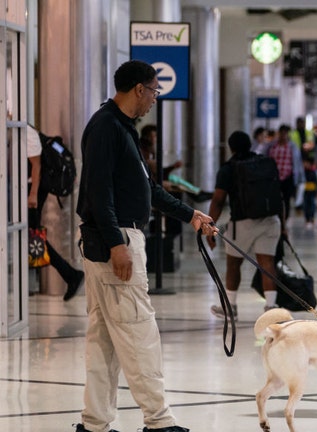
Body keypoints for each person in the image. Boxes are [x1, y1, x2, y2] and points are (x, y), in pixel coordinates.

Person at [75, 59, 217, 432]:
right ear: (139, 88)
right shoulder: (107, 127)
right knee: (139, 334)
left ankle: (94, 424)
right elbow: (97, 191)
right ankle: (159, 421)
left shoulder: (122, 128)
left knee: (104, 339)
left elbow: (147, 189)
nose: (155, 98)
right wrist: (116, 243)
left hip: (115, 237)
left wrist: (191, 216)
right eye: (154, 90)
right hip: (116, 241)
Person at [207, 131, 282, 319]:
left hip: (242, 223)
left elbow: (217, 200)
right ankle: (271, 307)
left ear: (231, 147)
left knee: (233, 264)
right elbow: (278, 195)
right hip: (271, 220)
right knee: (267, 263)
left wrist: (209, 226)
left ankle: (230, 306)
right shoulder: (265, 162)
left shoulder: (228, 169)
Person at [26, 124, 84, 301]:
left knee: (32, 236)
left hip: (30, 191)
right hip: (25, 190)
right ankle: (70, 275)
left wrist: (33, 195)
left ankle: (71, 275)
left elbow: (36, 166)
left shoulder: (27, 132)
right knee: (30, 236)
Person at [266, 124, 305, 221]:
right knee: (275, 199)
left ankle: (284, 219)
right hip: (274, 178)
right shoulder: (272, 146)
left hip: (288, 177)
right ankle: (276, 218)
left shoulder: (292, 147)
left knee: (286, 200)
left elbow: (297, 162)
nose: (283, 136)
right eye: (282, 133)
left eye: (285, 133)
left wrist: (300, 177)